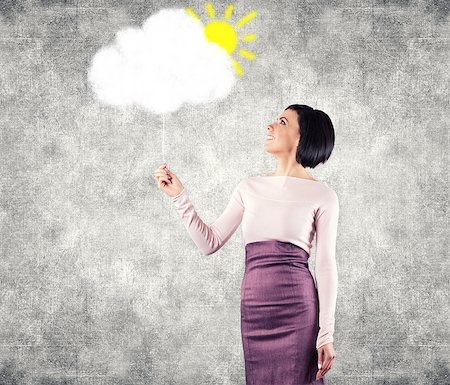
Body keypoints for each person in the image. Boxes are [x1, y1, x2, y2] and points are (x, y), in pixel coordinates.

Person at [154, 104, 339, 385]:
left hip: (299, 309)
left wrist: (326, 333)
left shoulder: (323, 195)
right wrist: (180, 197)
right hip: (255, 308)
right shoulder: (248, 187)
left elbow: (325, 265)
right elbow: (209, 242)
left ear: (301, 136)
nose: (270, 126)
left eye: (282, 122)